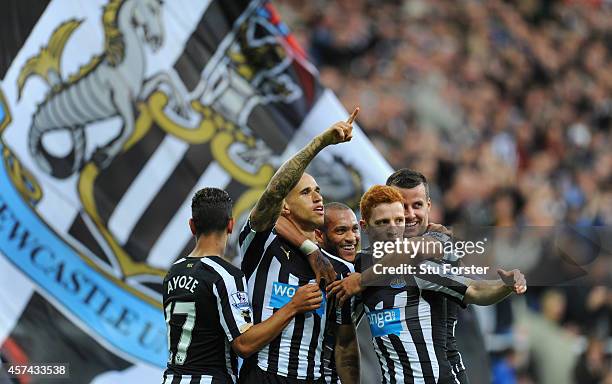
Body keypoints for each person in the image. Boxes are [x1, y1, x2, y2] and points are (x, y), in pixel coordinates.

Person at [328, 185, 527, 383]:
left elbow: (474, 289)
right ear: (365, 227)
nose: (392, 230)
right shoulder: (357, 268)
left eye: (398, 221)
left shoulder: (418, 266)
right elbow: (344, 340)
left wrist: (504, 286)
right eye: (382, 222)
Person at [238, 109, 361, 383]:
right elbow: (273, 192)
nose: (318, 197)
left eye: (318, 190)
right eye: (306, 192)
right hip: (262, 374)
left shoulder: (337, 269)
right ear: (285, 206)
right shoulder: (261, 243)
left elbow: (345, 343)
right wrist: (321, 143)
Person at [162, 188, 323, 384]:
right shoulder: (226, 275)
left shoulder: (173, 272)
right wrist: (294, 306)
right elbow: (244, 344)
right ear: (230, 225)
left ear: (192, 226)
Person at [386, 168, 471, 383]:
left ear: (429, 206)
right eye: (402, 206)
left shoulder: (442, 247)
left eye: (417, 205)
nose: (410, 214)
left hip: (445, 376)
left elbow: (475, 288)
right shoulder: (368, 257)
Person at [275, 202, 362, 384]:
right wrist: (311, 250)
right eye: (341, 231)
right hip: (316, 374)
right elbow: (275, 219)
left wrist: (364, 278)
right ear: (319, 236)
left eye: (355, 229)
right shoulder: (337, 270)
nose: (351, 238)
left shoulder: (362, 264)